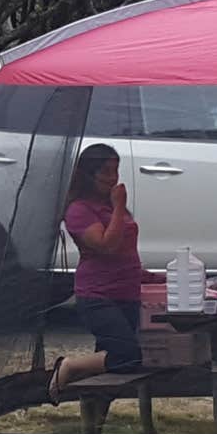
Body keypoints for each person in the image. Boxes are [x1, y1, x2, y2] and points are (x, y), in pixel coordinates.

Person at [50, 143, 145, 396]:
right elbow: (107, 245)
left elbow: (126, 250)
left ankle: (94, 424)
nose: (112, 178)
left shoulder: (112, 207)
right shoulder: (79, 210)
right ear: (88, 174)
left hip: (127, 292)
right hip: (98, 295)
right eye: (105, 171)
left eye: (116, 171)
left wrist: (149, 277)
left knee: (108, 367)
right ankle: (68, 366)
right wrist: (118, 207)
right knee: (127, 356)